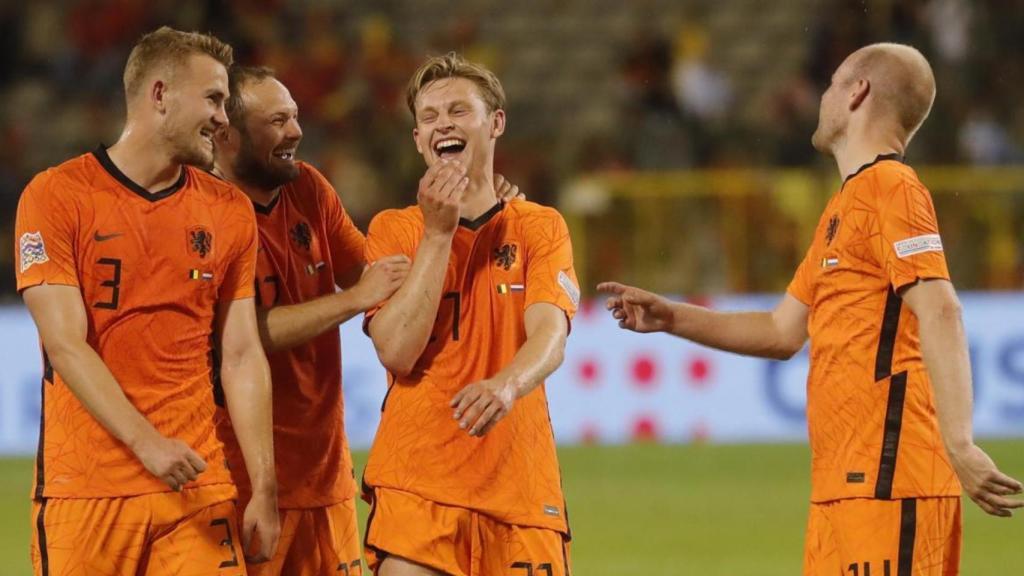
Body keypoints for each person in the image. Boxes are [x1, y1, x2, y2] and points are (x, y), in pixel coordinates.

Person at [600, 43, 1023, 575]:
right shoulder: (843, 207)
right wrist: (672, 318)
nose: (820, 98)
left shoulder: (892, 187)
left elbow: (941, 309)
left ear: (857, 92)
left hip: (892, 483)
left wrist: (959, 442)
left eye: (830, 85)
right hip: (841, 489)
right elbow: (782, 330)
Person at [212, 64, 522, 576]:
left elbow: (383, 276)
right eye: (276, 121)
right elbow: (236, 339)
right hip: (242, 477)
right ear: (227, 135)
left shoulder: (307, 188)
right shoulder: (201, 211)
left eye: (293, 116)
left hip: (324, 477)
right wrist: (352, 300)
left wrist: (481, 213)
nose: (296, 131)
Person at [14, 27, 280, 575]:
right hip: (87, 492)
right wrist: (148, 444)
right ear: (159, 95)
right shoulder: (57, 195)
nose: (223, 118)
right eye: (212, 98)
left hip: (197, 486)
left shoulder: (229, 211)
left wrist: (264, 487)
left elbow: (242, 354)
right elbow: (66, 344)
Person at [361, 52, 579, 576]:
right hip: (418, 482)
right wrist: (439, 234)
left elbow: (551, 333)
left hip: (520, 486)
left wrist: (506, 384)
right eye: (430, 118)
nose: (444, 125)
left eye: (459, 111)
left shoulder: (540, 226)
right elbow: (396, 350)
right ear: (418, 140)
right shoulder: (393, 230)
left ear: (495, 123)